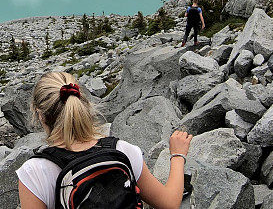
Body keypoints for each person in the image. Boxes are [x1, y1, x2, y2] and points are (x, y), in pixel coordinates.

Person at [17, 72, 193, 209]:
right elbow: (169, 203)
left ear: (40, 116)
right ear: (83, 103)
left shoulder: (34, 172)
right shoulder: (123, 150)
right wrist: (177, 155)